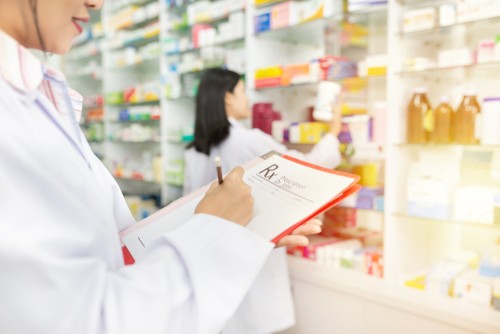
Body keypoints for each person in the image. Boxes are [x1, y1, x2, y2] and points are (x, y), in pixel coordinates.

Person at [0, 1, 321, 333]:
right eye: (242, 94)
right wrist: (216, 231)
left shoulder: (37, 98)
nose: (96, 2)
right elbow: (87, 320)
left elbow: (117, 247)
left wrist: (232, 228)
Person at [184, 68, 342, 333]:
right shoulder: (246, 140)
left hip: (213, 263)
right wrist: (334, 130)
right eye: (243, 92)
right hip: (253, 258)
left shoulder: (195, 149)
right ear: (227, 99)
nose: (248, 100)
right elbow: (309, 167)